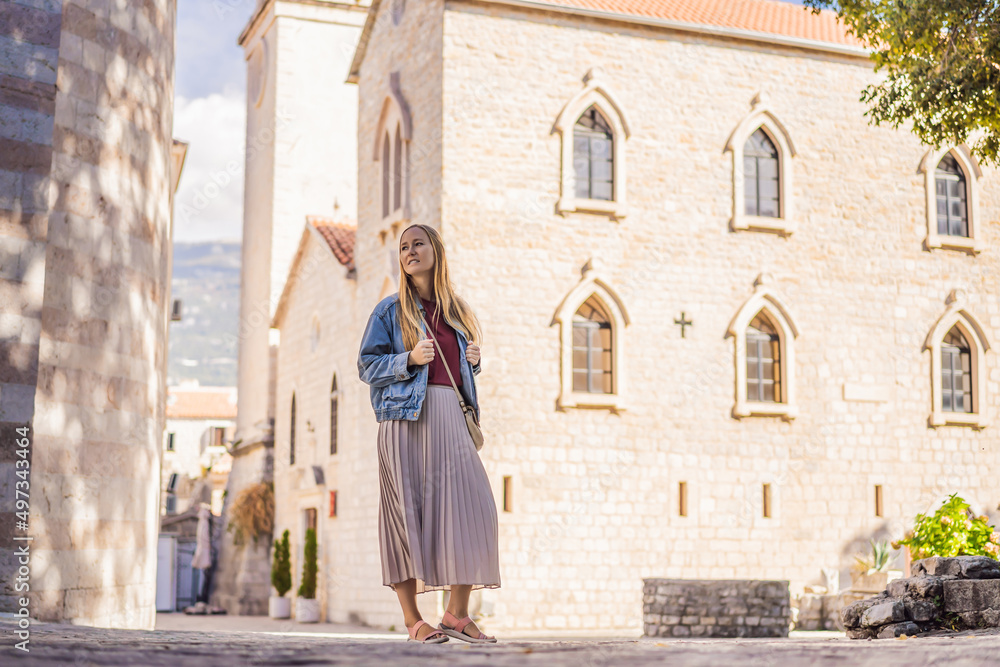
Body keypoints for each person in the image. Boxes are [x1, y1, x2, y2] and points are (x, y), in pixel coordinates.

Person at [357, 223, 501, 644]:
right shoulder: (388, 310)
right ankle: (413, 622)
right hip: (405, 421)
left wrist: (472, 361)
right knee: (405, 517)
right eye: (404, 247)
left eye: (418, 243)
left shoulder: (458, 311)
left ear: (436, 250)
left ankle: (456, 615)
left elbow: (457, 374)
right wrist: (408, 359)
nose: (410, 251)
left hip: (450, 419)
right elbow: (367, 367)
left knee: (475, 510)